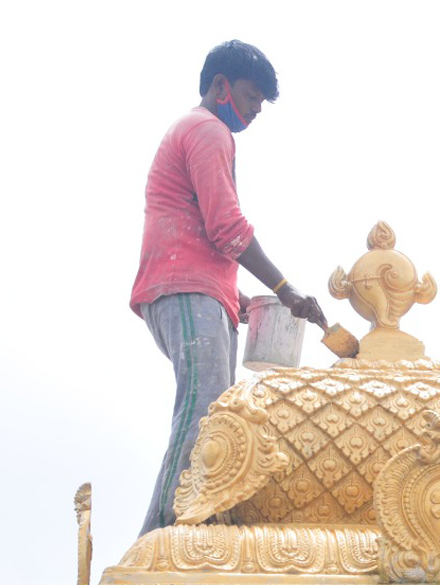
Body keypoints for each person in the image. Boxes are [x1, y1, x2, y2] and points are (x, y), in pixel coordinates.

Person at [130, 40, 327, 536]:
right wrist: (285, 291)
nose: (257, 108)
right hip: (184, 291)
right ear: (221, 86)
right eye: (251, 94)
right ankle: (161, 537)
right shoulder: (208, 130)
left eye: (262, 100)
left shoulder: (202, 132)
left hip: (195, 287)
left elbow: (203, 229)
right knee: (203, 408)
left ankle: (189, 525)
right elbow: (227, 227)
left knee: (217, 413)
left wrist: (234, 294)